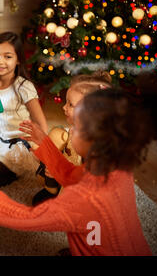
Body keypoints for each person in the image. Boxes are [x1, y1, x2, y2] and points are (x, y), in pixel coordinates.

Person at [0, 73, 157, 255]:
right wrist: (44, 143)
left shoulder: (82, 200)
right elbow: (71, 175)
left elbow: (24, 218)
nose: (70, 130)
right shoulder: (116, 166)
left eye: (76, 129)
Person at [32, 71, 112, 205]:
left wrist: (62, 173)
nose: (63, 107)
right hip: (67, 176)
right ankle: (51, 190)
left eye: (70, 104)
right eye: (66, 102)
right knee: (56, 135)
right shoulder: (72, 132)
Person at [0, 32, 47, 187]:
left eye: (8, 56)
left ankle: (12, 173)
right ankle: (5, 173)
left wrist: (45, 155)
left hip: (21, 147)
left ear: (18, 60)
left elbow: (41, 124)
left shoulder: (23, 87)